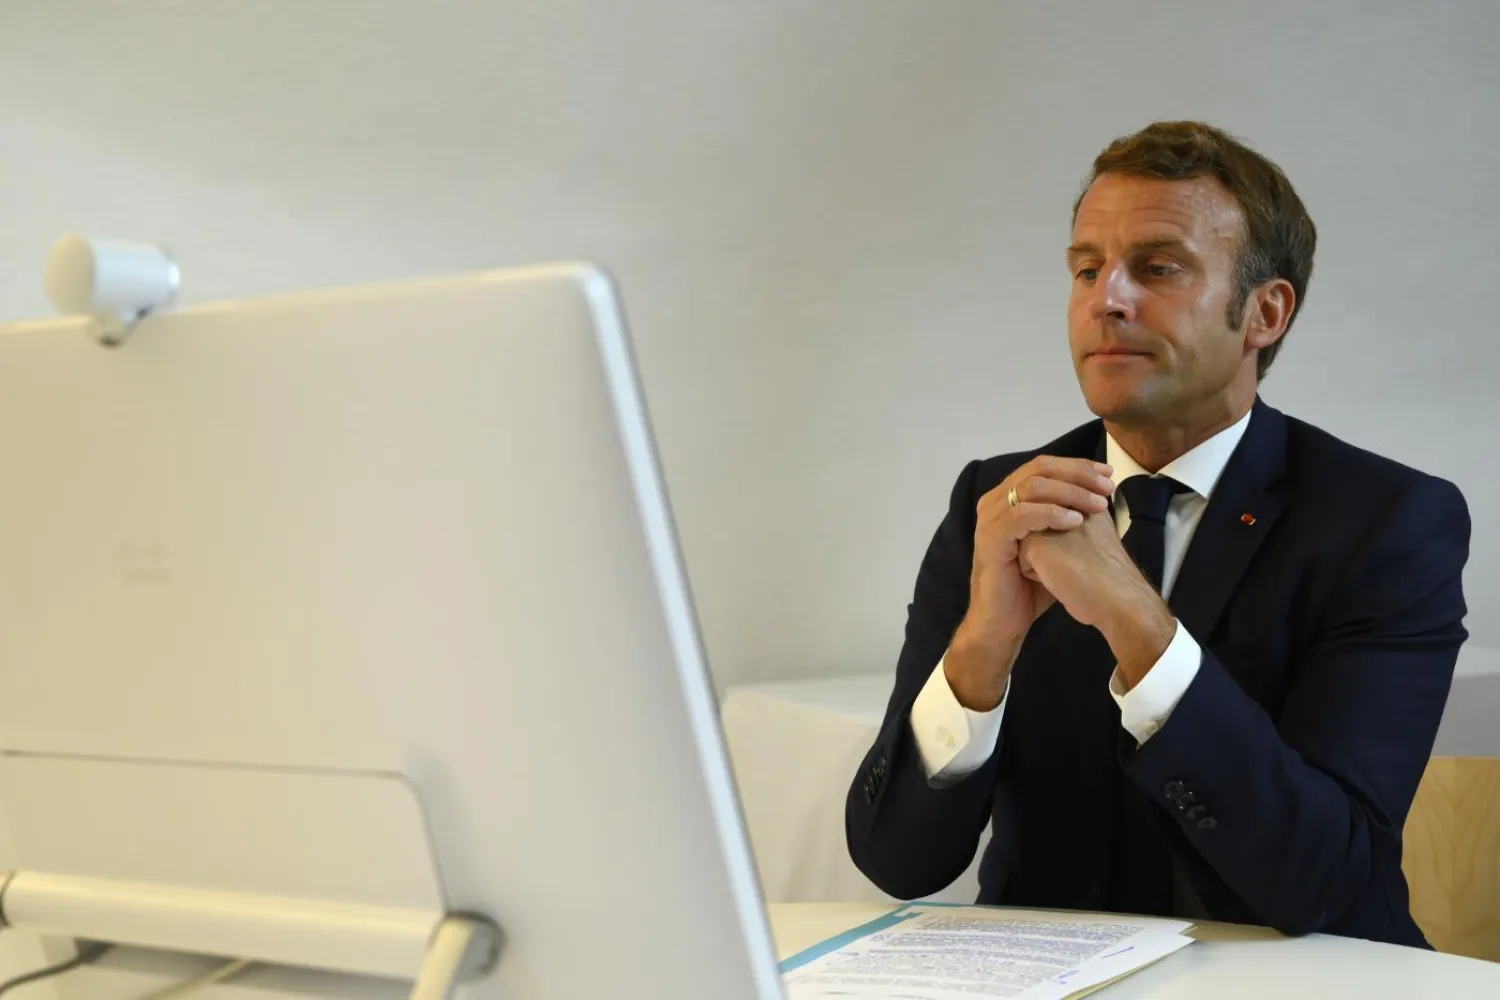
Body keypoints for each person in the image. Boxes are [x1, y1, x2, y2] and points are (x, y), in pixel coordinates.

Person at [845, 120, 1470, 947]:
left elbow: (1322, 878)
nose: (1108, 297)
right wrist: (979, 651)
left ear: (1265, 312)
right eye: (1086, 268)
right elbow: (897, 862)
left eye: (1158, 268)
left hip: (1306, 978)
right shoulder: (994, 504)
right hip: (1047, 974)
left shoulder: (1388, 522)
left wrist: (1137, 623)